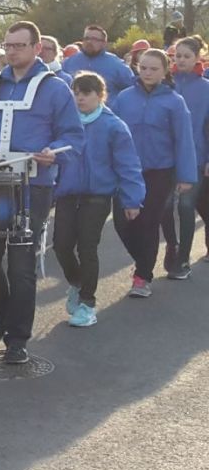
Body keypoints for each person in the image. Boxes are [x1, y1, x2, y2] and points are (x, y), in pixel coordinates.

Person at [0, 21, 84, 365]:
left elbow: (74, 137)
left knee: (22, 264)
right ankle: (5, 311)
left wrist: (54, 150)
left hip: (33, 186)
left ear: (36, 47)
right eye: (8, 45)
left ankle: (17, 339)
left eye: (19, 46)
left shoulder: (55, 89)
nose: (11, 51)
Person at [54, 72, 144, 327]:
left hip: (98, 195)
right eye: (76, 92)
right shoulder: (65, 123)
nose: (80, 98)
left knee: (87, 246)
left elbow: (128, 166)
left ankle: (87, 304)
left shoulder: (114, 126)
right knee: (60, 245)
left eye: (86, 93)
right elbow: (56, 157)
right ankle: (77, 282)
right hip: (68, 193)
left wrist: (132, 200)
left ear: (100, 95)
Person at [112, 48, 198, 293]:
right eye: (144, 68)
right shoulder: (124, 98)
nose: (148, 73)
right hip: (126, 172)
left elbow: (184, 140)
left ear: (165, 71)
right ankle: (143, 262)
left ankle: (142, 277)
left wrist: (185, 176)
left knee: (148, 223)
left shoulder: (174, 101)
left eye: (154, 69)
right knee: (122, 224)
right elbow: (111, 134)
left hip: (160, 172)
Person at [171, 36, 209, 272]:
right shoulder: (166, 84)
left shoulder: (206, 88)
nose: (182, 60)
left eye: (187, 56)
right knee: (164, 210)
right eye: (178, 56)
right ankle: (169, 251)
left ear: (197, 58)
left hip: (196, 156)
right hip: (165, 157)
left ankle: (182, 258)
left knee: (186, 206)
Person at [61, 25, 136, 95]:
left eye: (94, 39)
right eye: (86, 38)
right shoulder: (69, 62)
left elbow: (132, 90)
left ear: (104, 43)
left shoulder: (117, 65)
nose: (89, 42)